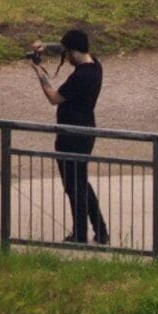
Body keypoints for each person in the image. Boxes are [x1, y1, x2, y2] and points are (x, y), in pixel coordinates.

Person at [31, 27, 106, 246]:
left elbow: (54, 98)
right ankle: (100, 230)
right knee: (81, 182)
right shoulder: (95, 66)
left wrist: (40, 73)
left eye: (66, 53)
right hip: (86, 131)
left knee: (74, 186)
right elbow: (70, 48)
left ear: (72, 53)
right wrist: (47, 46)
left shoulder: (80, 77)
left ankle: (80, 234)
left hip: (71, 135)